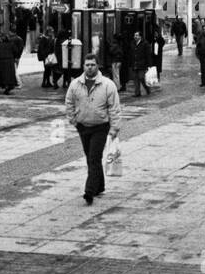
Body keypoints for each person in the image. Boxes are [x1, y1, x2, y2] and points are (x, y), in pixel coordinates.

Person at [64, 53, 121, 205]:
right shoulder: (75, 84)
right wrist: (73, 120)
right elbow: (69, 102)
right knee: (91, 158)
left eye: (93, 65)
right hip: (83, 127)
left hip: (100, 127)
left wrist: (115, 128)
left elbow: (114, 108)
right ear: (83, 66)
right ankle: (100, 186)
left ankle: (89, 191)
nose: (90, 68)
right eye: (87, 65)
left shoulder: (107, 85)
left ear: (97, 66)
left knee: (94, 158)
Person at [130, 30, 153, 97]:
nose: (135, 37)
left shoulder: (145, 43)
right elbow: (131, 54)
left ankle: (147, 88)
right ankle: (137, 93)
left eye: (137, 35)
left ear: (140, 36)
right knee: (135, 78)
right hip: (134, 63)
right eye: (135, 35)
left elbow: (148, 55)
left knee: (141, 77)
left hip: (142, 64)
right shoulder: (132, 43)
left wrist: (149, 65)